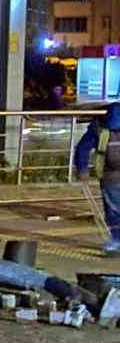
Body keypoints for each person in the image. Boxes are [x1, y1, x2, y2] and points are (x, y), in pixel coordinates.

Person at [73, 101, 120, 254]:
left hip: (109, 174)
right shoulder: (99, 126)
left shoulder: (99, 126)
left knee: (113, 209)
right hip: (110, 175)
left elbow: (83, 147)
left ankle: (116, 240)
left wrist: (82, 169)